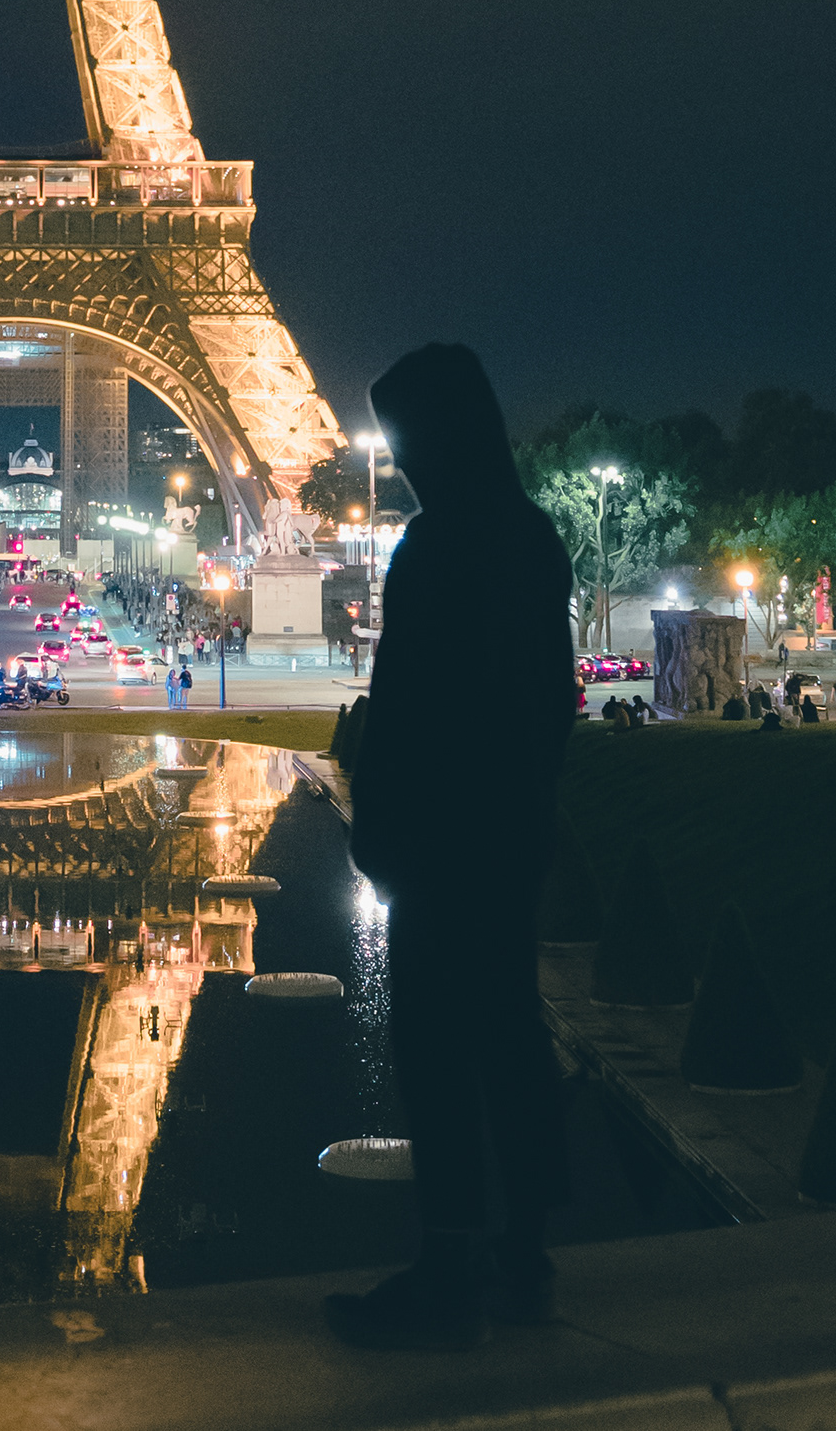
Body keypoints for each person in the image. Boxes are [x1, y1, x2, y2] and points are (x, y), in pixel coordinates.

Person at [329, 344, 575, 1351]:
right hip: (501, 834)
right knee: (510, 1036)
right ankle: (523, 1250)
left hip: (438, 841)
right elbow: (545, 704)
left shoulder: (434, 547)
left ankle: (448, 1255)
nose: (406, 456)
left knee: (433, 1046)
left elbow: (408, 707)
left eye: (409, 435)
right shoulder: (528, 537)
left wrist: (386, 821)